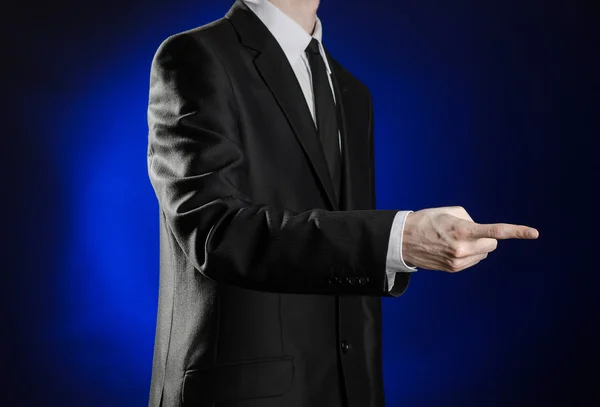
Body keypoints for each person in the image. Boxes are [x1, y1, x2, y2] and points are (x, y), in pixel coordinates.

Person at [146, 0, 539, 406]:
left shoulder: (353, 93)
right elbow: (215, 231)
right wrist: (396, 240)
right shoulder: (194, 56)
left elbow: (349, 281)